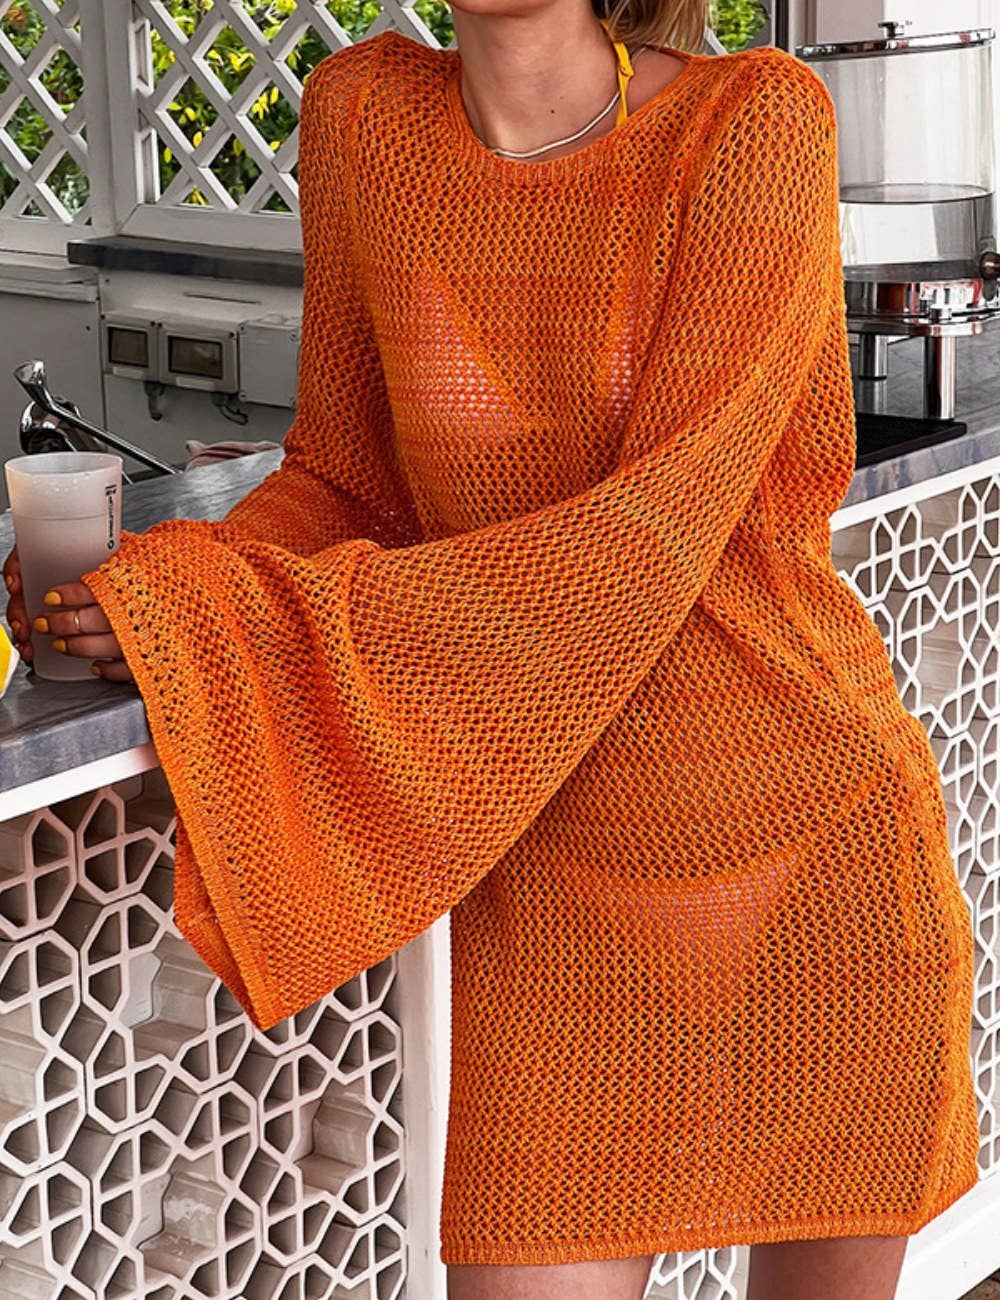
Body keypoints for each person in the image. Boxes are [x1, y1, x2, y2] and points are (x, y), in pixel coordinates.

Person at [3, 2, 980, 1298]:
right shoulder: (363, 118)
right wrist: (176, 593)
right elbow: (346, 481)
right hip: (550, 870)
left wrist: (230, 621)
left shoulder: (750, 124)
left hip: (806, 853)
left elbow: (652, 533)